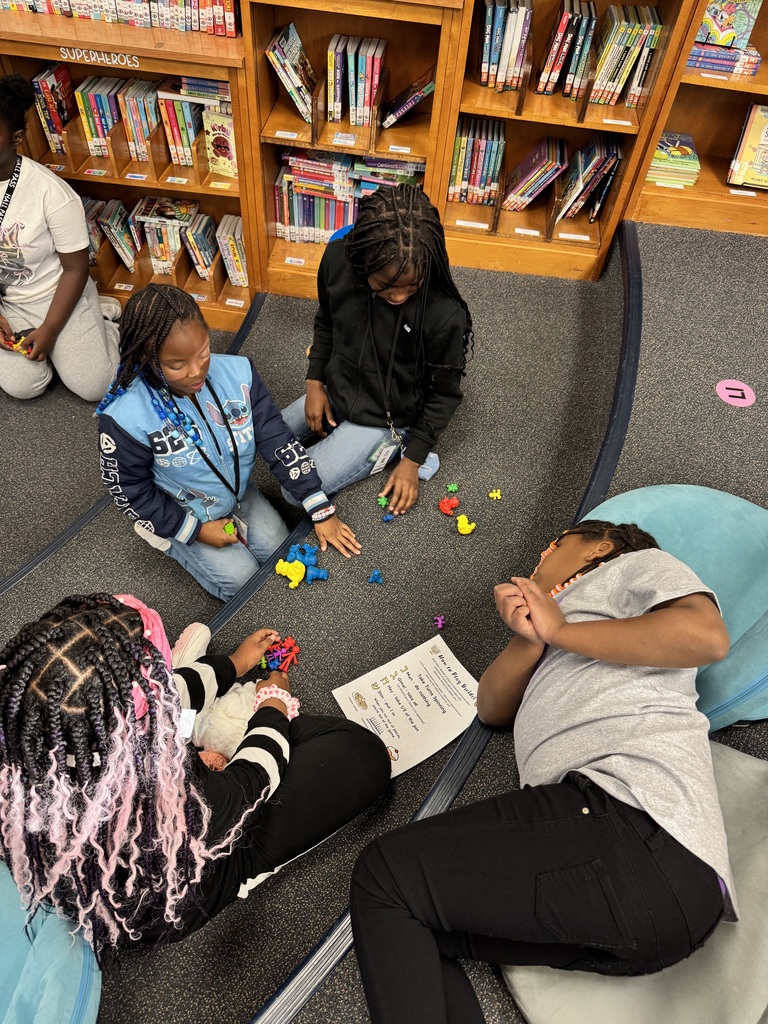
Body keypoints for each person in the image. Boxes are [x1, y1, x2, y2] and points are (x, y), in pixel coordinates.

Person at [350, 521, 736, 1024]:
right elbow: (490, 709)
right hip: (651, 908)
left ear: (599, 547)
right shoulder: (558, 624)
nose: (540, 555)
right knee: (415, 921)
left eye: (553, 544)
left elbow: (707, 637)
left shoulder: (635, 567)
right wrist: (531, 642)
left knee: (385, 875)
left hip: (638, 817)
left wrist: (560, 631)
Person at [0, 593, 391, 963]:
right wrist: (273, 704)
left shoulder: (28, 720)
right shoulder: (162, 793)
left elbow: (160, 695)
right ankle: (225, 729)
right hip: (180, 879)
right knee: (361, 754)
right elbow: (252, 783)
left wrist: (233, 664)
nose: (164, 680)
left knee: (192, 718)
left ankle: (212, 725)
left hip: (122, 834)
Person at [97, 283, 361, 601]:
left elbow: (276, 438)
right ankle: (168, 541)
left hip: (240, 494)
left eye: (204, 352)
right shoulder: (123, 418)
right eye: (177, 365)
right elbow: (129, 491)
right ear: (144, 356)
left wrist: (319, 506)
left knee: (283, 552)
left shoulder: (240, 374)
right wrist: (191, 530)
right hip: (185, 510)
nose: (196, 372)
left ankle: (226, 514)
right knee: (244, 586)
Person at [281, 183, 473, 516]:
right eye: (385, 286)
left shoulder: (444, 314)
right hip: (338, 384)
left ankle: (391, 444)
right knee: (261, 438)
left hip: (387, 418)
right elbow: (326, 321)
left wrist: (413, 459)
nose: (398, 297)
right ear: (361, 265)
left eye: (411, 286)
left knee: (292, 490)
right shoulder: (336, 260)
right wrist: (314, 383)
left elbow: (444, 396)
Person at [0, 74, 120, 401]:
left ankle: (100, 320)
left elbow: (76, 270)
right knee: (23, 386)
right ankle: (63, 349)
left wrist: (51, 330)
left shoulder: (51, 193)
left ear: (17, 138)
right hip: (8, 301)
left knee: (95, 387)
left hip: (56, 294)